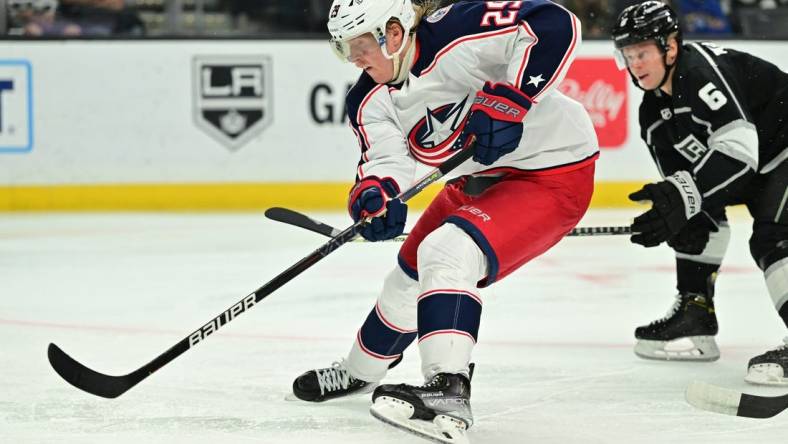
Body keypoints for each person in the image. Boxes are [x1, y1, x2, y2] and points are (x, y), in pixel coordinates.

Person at [290, 0, 599, 441]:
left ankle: (448, 388)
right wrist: (376, 195)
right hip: (473, 182)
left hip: (552, 172)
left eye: (360, 45)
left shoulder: (456, 29)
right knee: (405, 281)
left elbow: (554, 22)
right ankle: (359, 371)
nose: (354, 59)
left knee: (447, 253)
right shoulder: (366, 99)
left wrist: (514, 98)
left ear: (393, 33)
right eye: (344, 49)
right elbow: (386, 161)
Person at [611, 1, 788, 385]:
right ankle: (696, 314)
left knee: (775, 239)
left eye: (642, 52)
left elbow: (740, 154)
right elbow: (689, 192)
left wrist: (684, 194)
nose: (634, 64)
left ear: (670, 47)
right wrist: (675, 213)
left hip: (782, 152)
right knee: (694, 219)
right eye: (627, 55)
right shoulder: (652, 115)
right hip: (759, 165)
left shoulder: (699, 72)